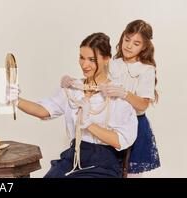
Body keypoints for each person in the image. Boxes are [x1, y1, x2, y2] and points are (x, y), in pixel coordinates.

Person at [7, 32, 138, 178]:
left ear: (106, 59)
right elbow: (43, 110)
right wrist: (16, 100)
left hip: (103, 163)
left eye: (92, 59)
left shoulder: (116, 94)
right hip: (73, 157)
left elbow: (120, 140)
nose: (84, 64)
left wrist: (88, 124)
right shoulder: (73, 89)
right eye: (81, 57)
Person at [61, 20, 160, 177]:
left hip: (133, 125)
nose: (128, 46)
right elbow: (93, 77)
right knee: (107, 167)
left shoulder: (146, 69)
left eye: (136, 43)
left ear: (144, 47)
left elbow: (143, 104)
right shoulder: (112, 62)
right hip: (108, 123)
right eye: (127, 40)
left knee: (131, 173)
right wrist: (72, 82)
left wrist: (124, 94)